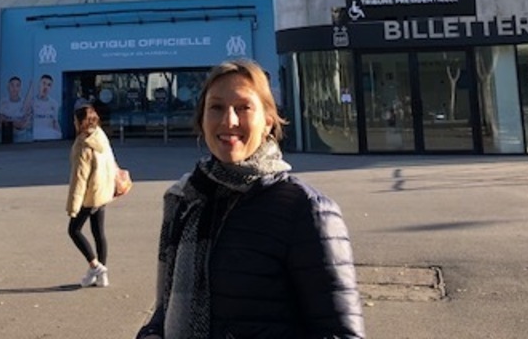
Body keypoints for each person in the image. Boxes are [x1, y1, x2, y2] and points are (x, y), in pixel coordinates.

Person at [136, 58, 366, 339]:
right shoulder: (187, 200)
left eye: (243, 108)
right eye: (216, 107)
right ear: (202, 119)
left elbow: (340, 334)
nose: (228, 121)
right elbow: (167, 310)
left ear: (268, 121)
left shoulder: (306, 210)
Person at [66, 100, 119, 288]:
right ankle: (100, 275)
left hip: (90, 196)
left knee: (73, 230)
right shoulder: (100, 135)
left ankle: (96, 267)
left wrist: (73, 207)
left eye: (75, 120)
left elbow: (79, 179)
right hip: (103, 192)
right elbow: (111, 159)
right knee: (98, 233)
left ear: (80, 123)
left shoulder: (83, 145)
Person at [0, 75, 32, 142]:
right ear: (8, 87)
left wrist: (8, 121)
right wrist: (16, 123)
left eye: (17, 85)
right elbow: (0, 120)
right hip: (6, 137)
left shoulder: (24, 103)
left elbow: (24, 124)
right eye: (12, 85)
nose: (14, 88)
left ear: (20, 88)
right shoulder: (3, 102)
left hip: (23, 137)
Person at [31, 74, 62, 140]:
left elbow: (55, 122)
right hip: (35, 137)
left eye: (49, 85)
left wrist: (60, 135)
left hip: (49, 137)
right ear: (39, 84)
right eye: (44, 83)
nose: (45, 87)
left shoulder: (54, 104)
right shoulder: (31, 102)